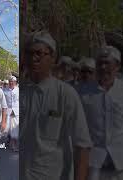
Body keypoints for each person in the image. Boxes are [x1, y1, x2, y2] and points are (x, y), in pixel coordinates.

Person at [21, 31, 92, 180]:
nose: (34, 58)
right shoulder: (19, 91)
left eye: (40, 53)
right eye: (30, 53)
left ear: (52, 58)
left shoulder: (65, 94)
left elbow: (82, 146)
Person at [79, 46, 123, 180]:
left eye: (107, 63)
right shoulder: (83, 92)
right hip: (94, 162)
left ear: (117, 66)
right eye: (100, 63)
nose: (103, 67)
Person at [3, 76, 19, 152]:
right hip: (8, 112)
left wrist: (16, 110)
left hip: (16, 112)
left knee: (15, 129)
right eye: (10, 81)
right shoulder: (4, 91)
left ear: (15, 82)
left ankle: (14, 144)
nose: (11, 83)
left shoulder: (19, 90)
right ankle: (10, 141)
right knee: (8, 128)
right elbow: (3, 102)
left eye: (13, 81)